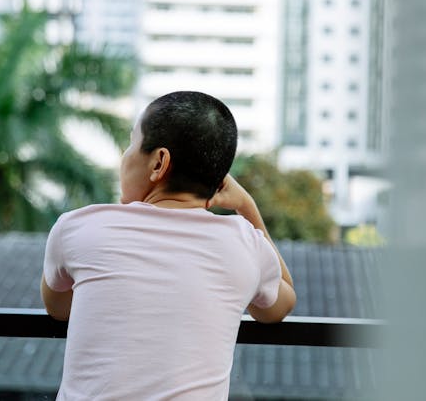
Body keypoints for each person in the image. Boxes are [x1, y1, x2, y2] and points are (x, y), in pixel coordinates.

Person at [41, 91, 296, 400]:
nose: (125, 157)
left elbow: (59, 308)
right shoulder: (245, 245)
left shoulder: (78, 228)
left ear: (159, 162)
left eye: (132, 143)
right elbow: (280, 305)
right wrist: (246, 206)